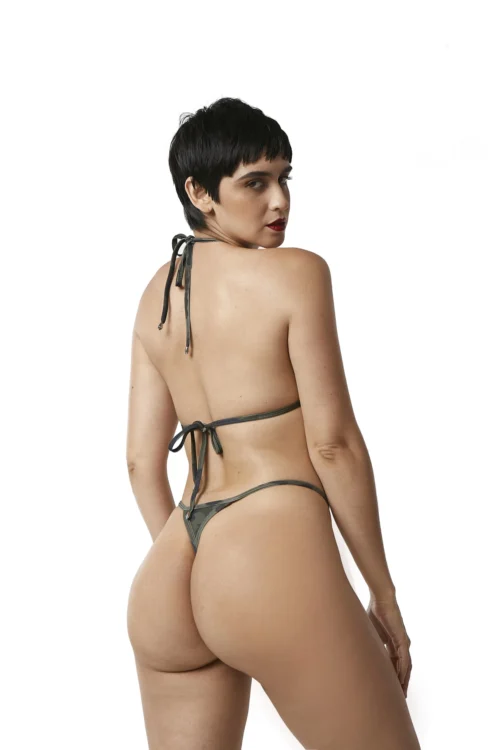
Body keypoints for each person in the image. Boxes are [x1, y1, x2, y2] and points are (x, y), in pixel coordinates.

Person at [125, 97, 421, 750]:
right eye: (255, 183)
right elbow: (334, 446)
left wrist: (198, 576)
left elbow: (141, 464)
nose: (279, 201)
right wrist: (384, 593)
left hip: (171, 572)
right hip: (268, 555)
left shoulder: (155, 298)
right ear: (199, 192)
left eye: (285, 178)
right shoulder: (296, 275)